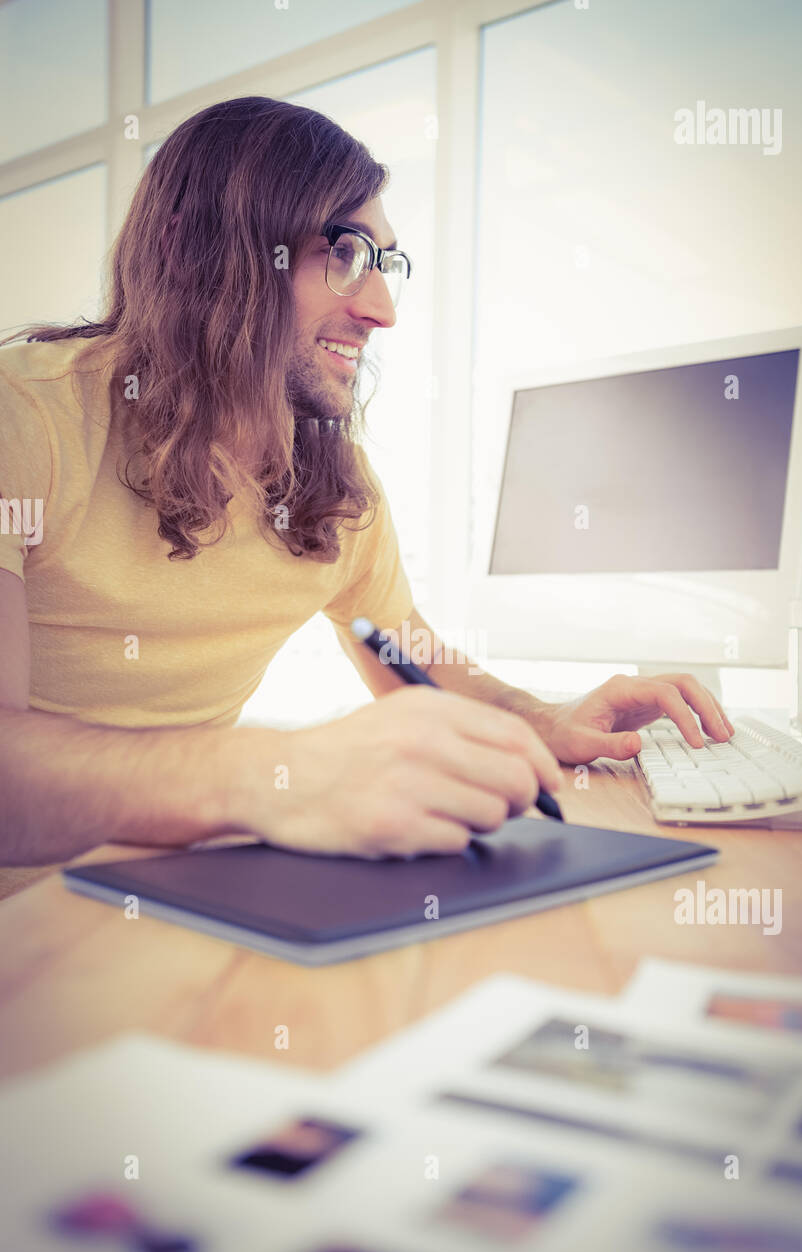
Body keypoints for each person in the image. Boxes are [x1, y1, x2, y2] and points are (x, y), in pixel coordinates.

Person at [0, 97, 732, 898]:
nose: (382, 309)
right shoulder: (25, 421)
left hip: (156, 901)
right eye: (344, 253)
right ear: (190, 250)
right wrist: (282, 770)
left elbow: (414, 659)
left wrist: (545, 717)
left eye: (385, 263)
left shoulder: (330, 481)